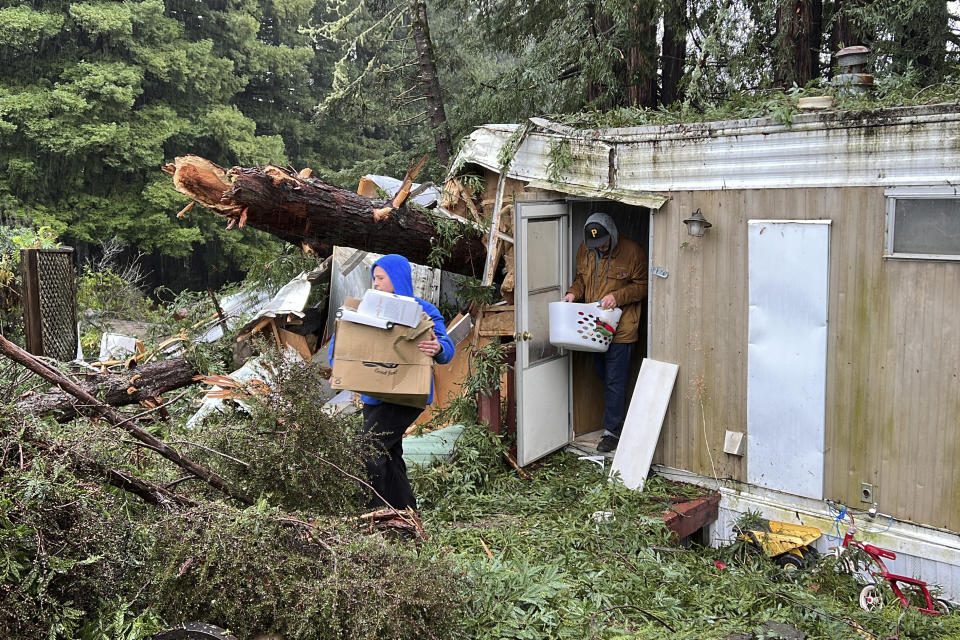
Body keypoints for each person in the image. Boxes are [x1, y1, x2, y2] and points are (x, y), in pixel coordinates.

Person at [329, 254, 454, 511]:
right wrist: (341, 362)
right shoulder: (365, 308)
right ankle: (405, 511)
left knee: (368, 450)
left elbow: (447, 349)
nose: (375, 283)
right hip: (374, 395)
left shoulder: (424, 310)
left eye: (381, 278)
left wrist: (438, 346)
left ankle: (375, 511)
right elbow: (341, 340)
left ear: (397, 279)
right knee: (389, 455)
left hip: (407, 396)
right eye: (374, 278)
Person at [562, 213, 648, 453]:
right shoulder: (586, 250)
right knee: (603, 374)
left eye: (603, 242)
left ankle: (612, 432)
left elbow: (643, 286)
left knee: (614, 379)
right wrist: (573, 293)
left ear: (613, 233)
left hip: (621, 328)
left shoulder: (633, 252)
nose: (600, 247)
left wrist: (617, 297)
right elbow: (581, 279)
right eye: (595, 244)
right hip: (596, 326)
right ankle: (618, 419)